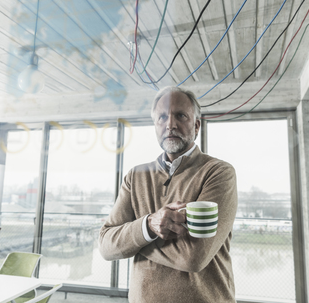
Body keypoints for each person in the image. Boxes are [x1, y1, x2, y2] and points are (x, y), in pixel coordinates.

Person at [99, 86, 238, 303]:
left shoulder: (219, 172)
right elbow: (106, 246)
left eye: (180, 116)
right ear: (155, 125)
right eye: (162, 117)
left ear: (197, 125)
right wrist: (148, 226)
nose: (170, 124)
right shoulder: (135, 176)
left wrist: (134, 239)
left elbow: (193, 256)